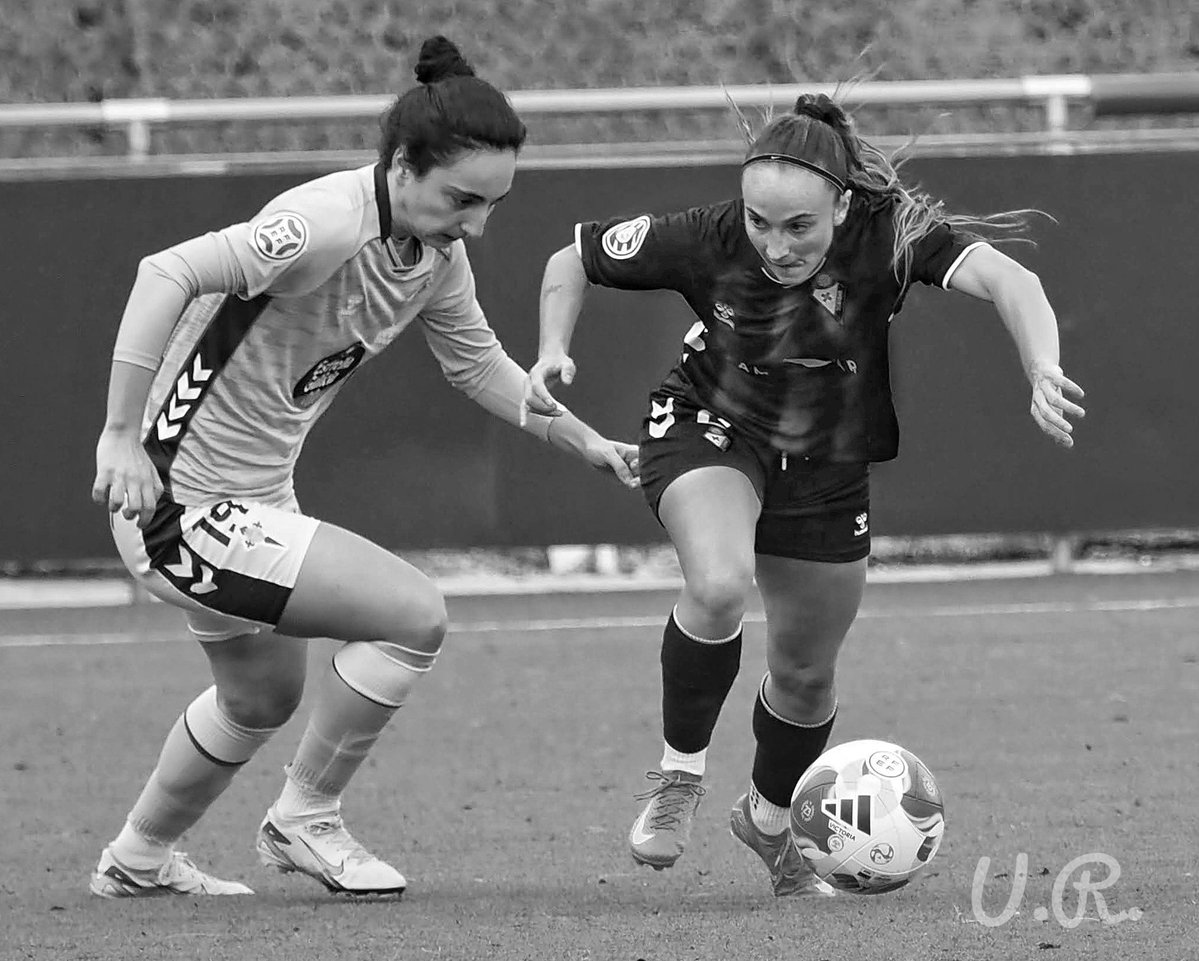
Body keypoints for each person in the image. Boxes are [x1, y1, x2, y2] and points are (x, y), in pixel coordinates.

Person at [88, 35, 638, 900]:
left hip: (251, 497)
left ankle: (137, 859)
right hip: (176, 506)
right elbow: (168, 271)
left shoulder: (433, 253)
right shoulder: (325, 223)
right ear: (402, 164)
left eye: (492, 204)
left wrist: (586, 442)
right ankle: (305, 818)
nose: (476, 225)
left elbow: (478, 366)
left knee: (259, 698)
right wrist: (120, 436)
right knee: (412, 615)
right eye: (462, 198)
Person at [522, 93, 1085, 897]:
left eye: (798, 227)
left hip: (825, 462)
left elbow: (1009, 277)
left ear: (843, 205)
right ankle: (678, 775)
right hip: (706, 427)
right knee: (716, 585)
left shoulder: (888, 235)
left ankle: (768, 818)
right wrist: (550, 350)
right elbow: (569, 259)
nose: (774, 244)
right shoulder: (706, 235)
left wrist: (1040, 366)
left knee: (806, 673)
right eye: (759, 222)